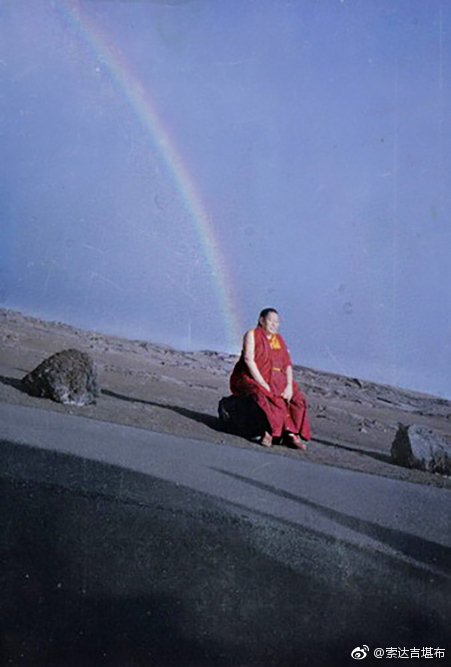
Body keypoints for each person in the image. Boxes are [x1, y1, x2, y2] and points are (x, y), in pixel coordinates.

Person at [230, 308, 311, 449]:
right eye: (271, 320)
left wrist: (289, 386)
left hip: (277, 379)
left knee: (297, 399)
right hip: (251, 376)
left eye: (277, 322)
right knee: (267, 397)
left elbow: (287, 364)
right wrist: (262, 382)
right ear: (261, 320)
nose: (274, 324)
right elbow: (249, 359)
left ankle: (291, 433)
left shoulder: (278, 339)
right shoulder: (252, 334)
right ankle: (268, 432)